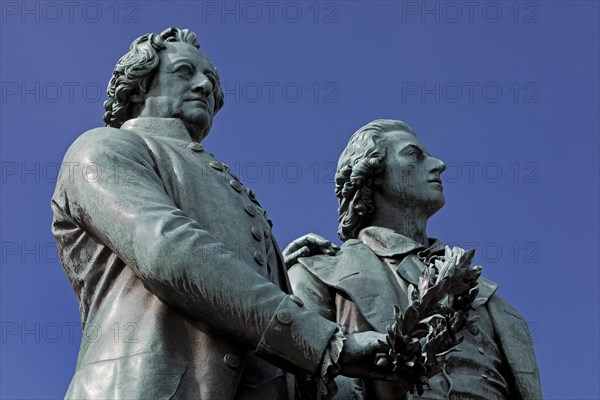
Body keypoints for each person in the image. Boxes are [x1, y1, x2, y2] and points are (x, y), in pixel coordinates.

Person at [51, 28, 393, 400]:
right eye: (185, 71)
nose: (204, 87)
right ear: (137, 86)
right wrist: (325, 342)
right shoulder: (104, 147)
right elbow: (169, 251)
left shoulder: (219, 181)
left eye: (212, 81)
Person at [289, 119, 542, 399]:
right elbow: (297, 378)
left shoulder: (492, 301)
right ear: (373, 174)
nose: (439, 164)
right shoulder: (318, 271)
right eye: (414, 155)